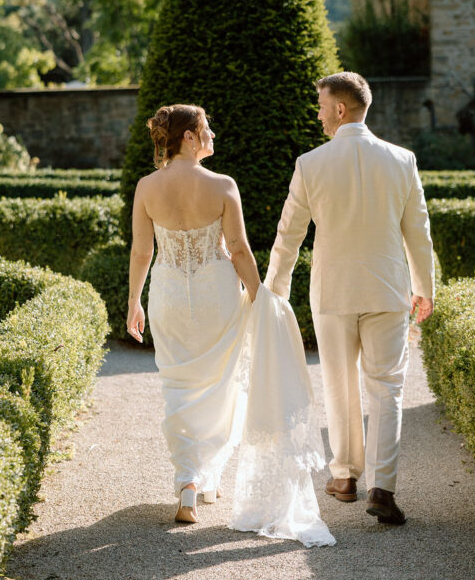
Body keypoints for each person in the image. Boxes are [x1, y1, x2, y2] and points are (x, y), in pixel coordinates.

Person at [127, 103, 335, 547]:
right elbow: (238, 249)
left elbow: (142, 252)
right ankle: (205, 476)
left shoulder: (146, 186)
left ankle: (189, 479)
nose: (213, 134)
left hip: (166, 294)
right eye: (207, 129)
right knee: (221, 386)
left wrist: (133, 300)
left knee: (178, 384)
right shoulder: (223, 186)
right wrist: (261, 298)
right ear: (188, 137)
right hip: (217, 293)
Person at [265, 72, 435, 526]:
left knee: (338, 383)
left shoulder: (311, 163)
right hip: (387, 290)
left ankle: (343, 478)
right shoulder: (402, 160)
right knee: (387, 389)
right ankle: (382, 487)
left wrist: (274, 293)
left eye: (321, 106)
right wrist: (425, 288)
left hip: (333, 293)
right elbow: (418, 233)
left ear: (340, 109)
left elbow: (289, 236)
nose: (318, 115)